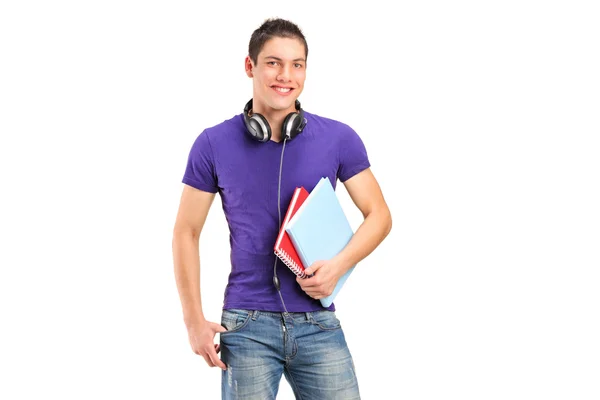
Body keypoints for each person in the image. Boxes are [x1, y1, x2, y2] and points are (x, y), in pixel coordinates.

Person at [172, 18, 392, 399]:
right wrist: (193, 321)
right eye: (273, 62)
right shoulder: (212, 144)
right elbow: (186, 231)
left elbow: (380, 215)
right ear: (250, 66)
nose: (285, 75)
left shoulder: (340, 138)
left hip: (318, 322)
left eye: (297, 64)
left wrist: (337, 265)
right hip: (246, 326)